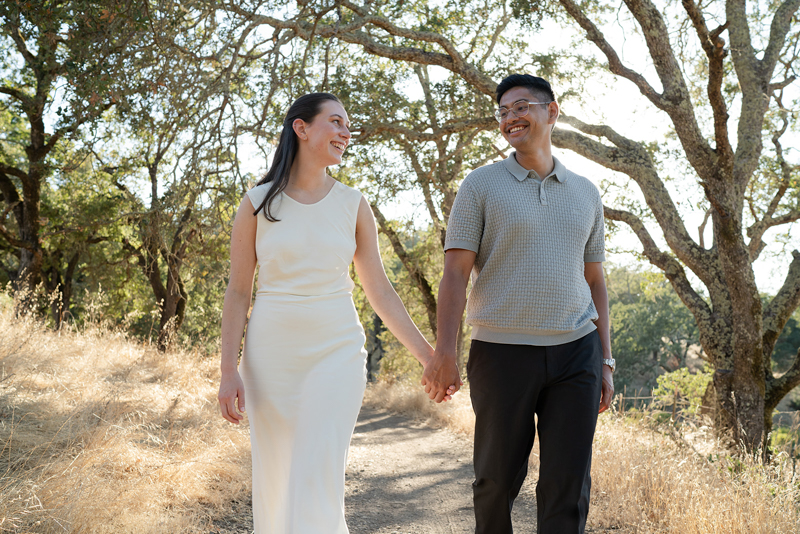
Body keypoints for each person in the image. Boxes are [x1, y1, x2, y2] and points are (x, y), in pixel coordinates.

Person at [217, 93, 455, 533]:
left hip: (337, 352)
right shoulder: (257, 203)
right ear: (301, 128)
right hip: (271, 358)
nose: (347, 133)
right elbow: (237, 292)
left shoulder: (353, 203)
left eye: (349, 125)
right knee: (277, 476)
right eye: (337, 122)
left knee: (318, 474)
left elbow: (379, 290)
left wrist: (430, 357)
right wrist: (228, 370)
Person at [422, 74, 615, 534]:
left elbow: (595, 280)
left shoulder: (586, 191)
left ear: (552, 110)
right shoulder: (481, 185)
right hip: (501, 352)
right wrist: (443, 353)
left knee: (568, 485)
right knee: (495, 481)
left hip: (577, 352)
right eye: (503, 112)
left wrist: (605, 359)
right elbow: (454, 274)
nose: (511, 118)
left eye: (521, 106)